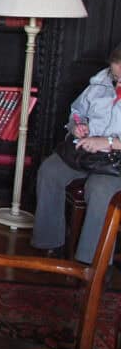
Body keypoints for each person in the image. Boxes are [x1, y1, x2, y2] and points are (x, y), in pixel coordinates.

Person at [31, 44, 121, 263]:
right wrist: (77, 125)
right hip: (87, 151)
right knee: (50, 171)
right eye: (115, 76)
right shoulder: (100, 81)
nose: (117, 84)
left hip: (115, 161)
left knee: (99, 190)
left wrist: (108, 142)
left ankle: (92, 263)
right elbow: (77, 111)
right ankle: (50, 243)